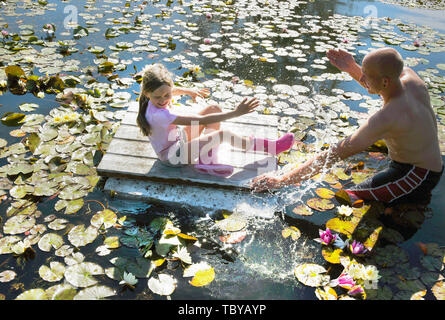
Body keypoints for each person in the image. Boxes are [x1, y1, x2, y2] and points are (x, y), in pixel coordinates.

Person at [251, 47, 443, 210]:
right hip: (424, 164)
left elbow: (337, 152)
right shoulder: (411, 79)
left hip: (418, 175)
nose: (362, 78)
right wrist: (352, 68)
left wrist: (282, 180)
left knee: (348, 196)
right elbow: (381, 86)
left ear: (385, 81)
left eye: (366, 76)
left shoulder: (386, 118)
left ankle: (402, 212)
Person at [136, 63, 294, 176]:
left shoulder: (153, 96)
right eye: (158, 97)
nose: (164, 100)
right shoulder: (159, 116)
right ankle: (271, 148)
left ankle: (207, 161)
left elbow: (172, 90)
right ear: (147, 93)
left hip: (178, 142)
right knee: (223, 134)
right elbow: (196, 120)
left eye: (167, 95)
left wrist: (189, 91)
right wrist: (236, 113)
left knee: (214, 108)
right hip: (173, 157)